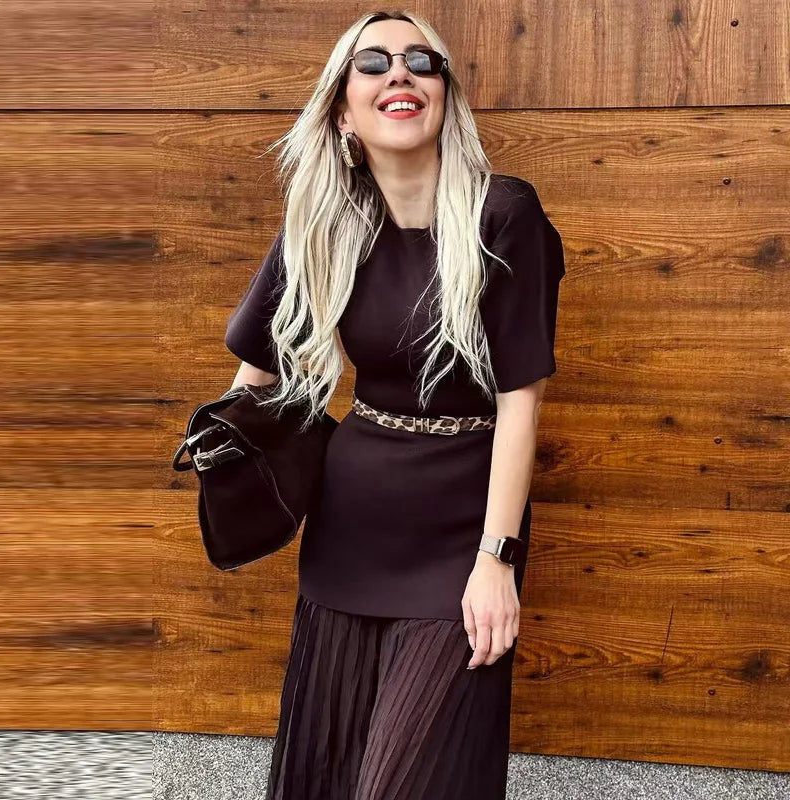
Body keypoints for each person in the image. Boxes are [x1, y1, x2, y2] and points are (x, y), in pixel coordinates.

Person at [223, 10, 566, 800]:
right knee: (329, 777)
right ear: (343, 110)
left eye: (422, 61)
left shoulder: (501, 215)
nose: (399, 73)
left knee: (411, 782)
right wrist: (220, 450)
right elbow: (257, 372)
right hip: (351, 527)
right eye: (372, 63)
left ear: (446, 96)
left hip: (463, 531)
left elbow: (521, 397)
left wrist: (496, 560)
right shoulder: (323, 222)